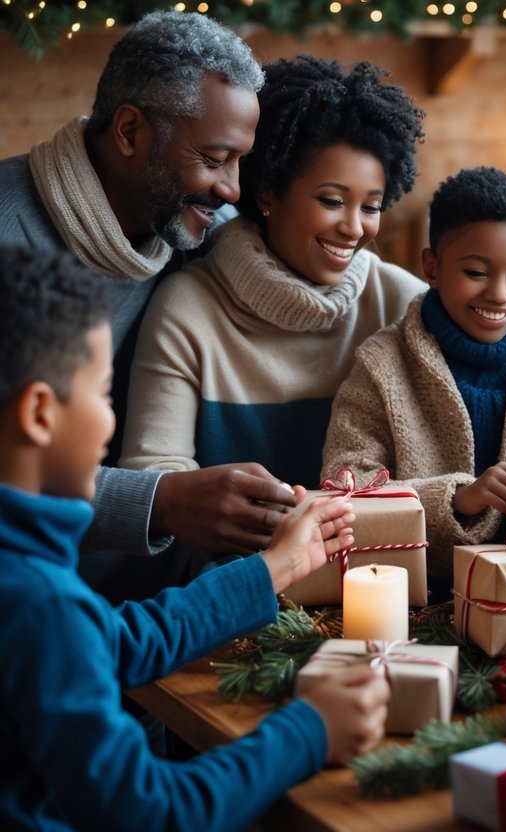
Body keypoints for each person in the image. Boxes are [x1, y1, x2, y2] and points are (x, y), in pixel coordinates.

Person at [0, 244, 391, 830]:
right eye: (103, 395)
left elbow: (117, 642)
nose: (109, 419)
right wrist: (309, 729)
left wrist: (275, 567)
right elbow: (154, 810)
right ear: (39, 413)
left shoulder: (30, 583)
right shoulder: (38, 599)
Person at [0, 11, 300, 593]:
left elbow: (303, 275)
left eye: (239, 161)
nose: (233, 188)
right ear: (131, 132)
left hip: (163, 603)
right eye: (214, 160)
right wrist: (157, 501)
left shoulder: (203, 228)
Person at [118, 55, 427, 489]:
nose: (355, 228)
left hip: (377, 555)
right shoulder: (189, 306)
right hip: (236, 557)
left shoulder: (400, 301)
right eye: (332, 201)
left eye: (371, 207)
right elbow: (152, 474)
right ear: (269, 192)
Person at [321, 166, 506, 582]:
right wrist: (458, 499)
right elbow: (343, 488)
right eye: (477, 273)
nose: (501, 294)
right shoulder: (382, 366)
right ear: (431, 268)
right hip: (410, 603)